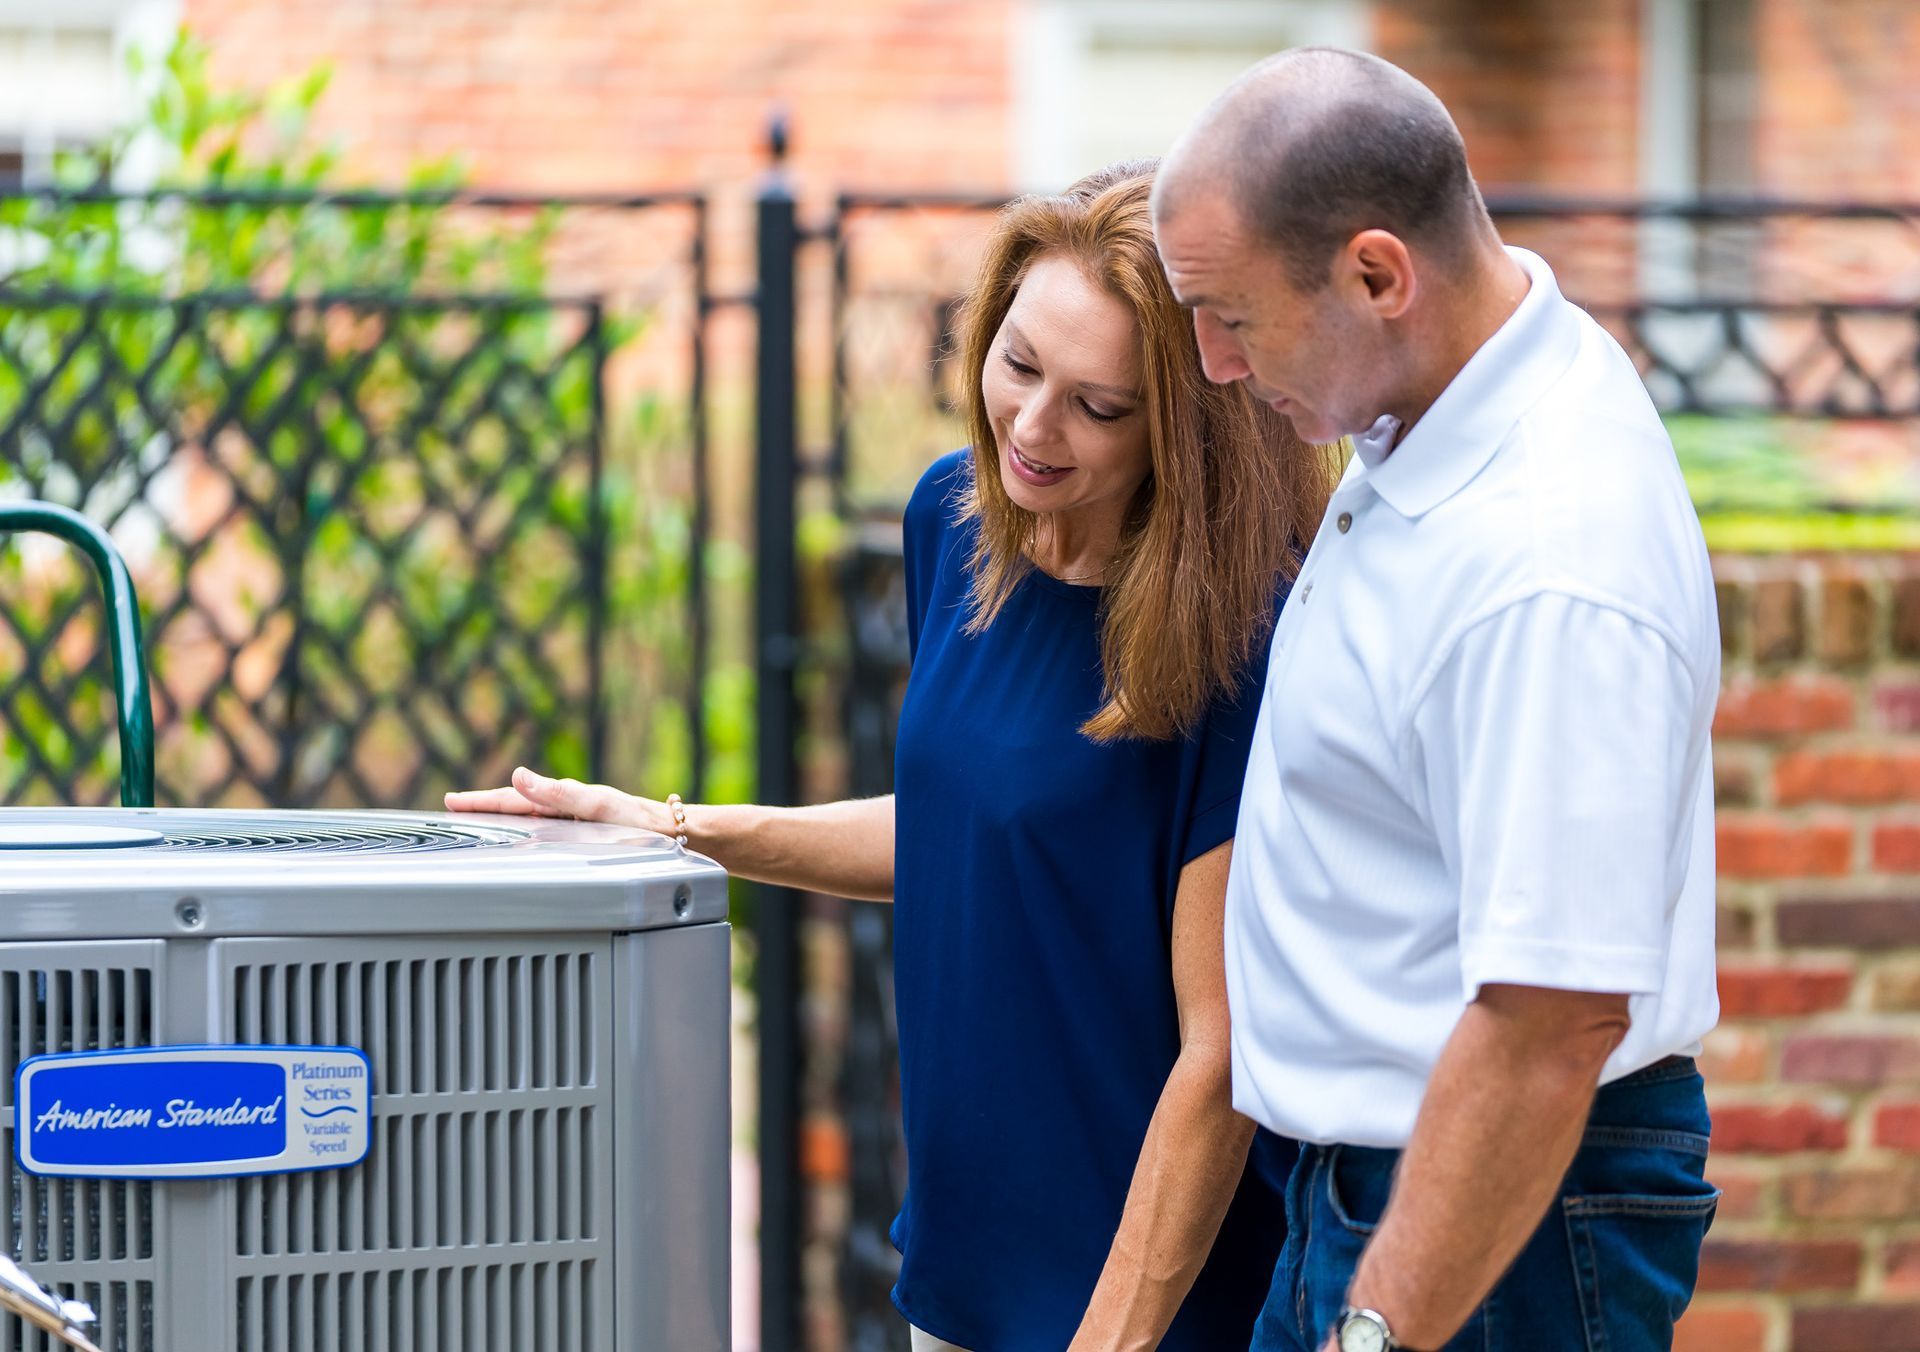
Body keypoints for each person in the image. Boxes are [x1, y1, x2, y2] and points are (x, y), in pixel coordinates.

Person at [450, 162, 1338, 1351]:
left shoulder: (1245, 628)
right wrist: (669, 825)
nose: (1031, 425)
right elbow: (964, 828)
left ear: (1180, 425)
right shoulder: (955, 524)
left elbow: (1219, 1051)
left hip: (1145, 1293)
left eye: (1098, 405)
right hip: (960, 1263)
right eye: (1018, 364)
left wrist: (1109, 1339)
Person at [1152, 49, 1721, 1352]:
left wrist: (1375, 1333)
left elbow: (1548, 1020)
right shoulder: (1441, 394)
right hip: (1368, 1183)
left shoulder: (1547, 563)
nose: (1214, 365)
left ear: (1375, 275)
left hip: (1494, 1219)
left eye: (1229, 317)